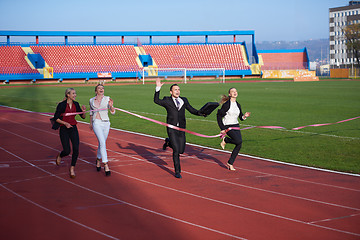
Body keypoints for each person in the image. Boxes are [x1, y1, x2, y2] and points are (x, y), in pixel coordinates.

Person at [154, 78, 203, 179]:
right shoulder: (167, 100)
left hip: (181, 128)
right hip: (171, 128)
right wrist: (158, 88)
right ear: (171, 92)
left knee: (181, 150)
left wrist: (201, 113)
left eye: (178, 89)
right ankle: (177, 171)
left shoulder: (184, 100)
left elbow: (192, 110)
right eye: (175, 90)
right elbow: (156, 100)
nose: (177, 91)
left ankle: (168, 142)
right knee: (176, 151)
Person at [53, 88, 86, 178]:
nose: (75, 95)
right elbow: (56, 118)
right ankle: (60, 155)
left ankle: (72, 168)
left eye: (75, 93)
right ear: (68, 95)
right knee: (67, 151)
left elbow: (83, 117)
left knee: (76, 149)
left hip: (73, 128)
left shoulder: (76, 104)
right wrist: (65, 123)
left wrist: (83, 112)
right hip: (64, 128)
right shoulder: (62, 105)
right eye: (73, 93)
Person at [217, 87, 251, 171]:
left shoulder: (238, 105)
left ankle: (230, 163)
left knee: (239, 143)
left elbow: (241, 117)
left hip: (236, 125)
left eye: (236, 91)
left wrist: (245, 116)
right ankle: (226, 140)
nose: (235, 92)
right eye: (233, 91)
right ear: (229, 94)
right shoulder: (226, 105)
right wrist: (222, 128)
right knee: (238, 141)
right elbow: (219, 116)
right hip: (228, 126)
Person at [89, 84, 115, 176]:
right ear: (96, 91)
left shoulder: (107, 98)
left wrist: (111, 106)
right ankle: (106, 164)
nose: (101, 89)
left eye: (102, 88)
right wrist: (91, 123)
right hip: (97, 122)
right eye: (99, 88)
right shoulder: (91, 100)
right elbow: (91, 112)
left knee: (102, 142)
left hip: (106, 123)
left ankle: (98, 160)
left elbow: (113, 112)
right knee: (103, 143)